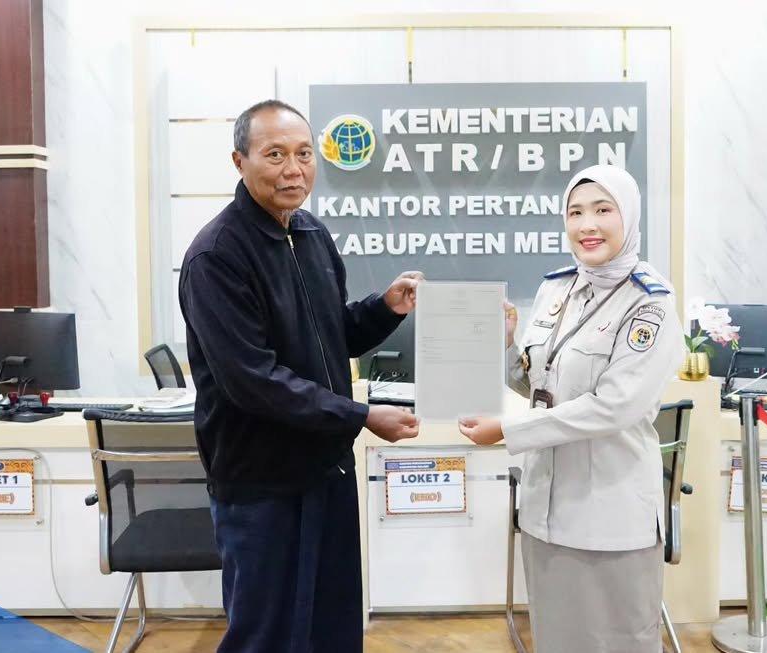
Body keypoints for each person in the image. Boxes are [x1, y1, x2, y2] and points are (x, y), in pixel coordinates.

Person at [179, 99, 422, 653]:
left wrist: (385, 308)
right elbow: (253, 380)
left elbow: (330, 333)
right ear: (239, 161)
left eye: (304, 154)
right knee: (266, 635)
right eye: (275, 155)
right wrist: (362, 416)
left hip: (327, 470)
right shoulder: (216, 256)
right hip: (261, 483)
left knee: (332, 629)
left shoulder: (311, 233)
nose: (294, 169)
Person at [458, 164, 685, 653]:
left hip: (610, 515)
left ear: (629, 216)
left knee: (619, 641)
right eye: (575, 212)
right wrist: (507, 346)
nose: (587, 225)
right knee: (557, 639)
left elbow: (614, 407)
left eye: (603, 210)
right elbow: (540, 384)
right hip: (545, 510)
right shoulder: (556, 289)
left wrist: (508, 431)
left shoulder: (651, 305)